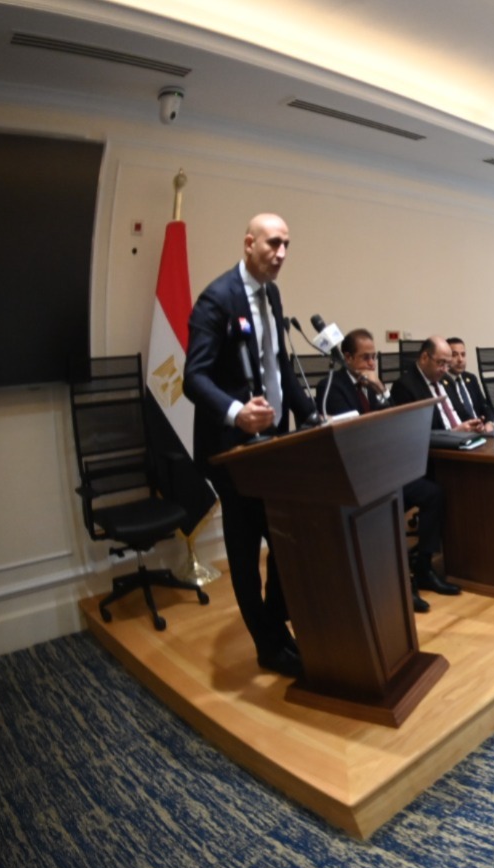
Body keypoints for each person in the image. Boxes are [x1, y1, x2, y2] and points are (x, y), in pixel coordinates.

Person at [183, 213, 318, 677]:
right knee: (244, 549)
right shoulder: (216, 299)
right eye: (273, 244)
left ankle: (275, 626)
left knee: (283, 536)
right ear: (248, 244)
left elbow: (277, 365)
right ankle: (268, 643)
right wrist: (236, 412)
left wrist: (312, 413)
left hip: (273, 443)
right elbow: (193, 378)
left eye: (287, 245)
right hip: (232, 449)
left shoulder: (271, 294)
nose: (281, 254)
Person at [319, 328, 458, 611]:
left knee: (433, 494)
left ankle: (423, 567)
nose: (372, 364)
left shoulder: (372, 386)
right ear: (347, 357)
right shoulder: (332, 387)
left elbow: (395, 420)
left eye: (374, 357)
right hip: (358, 478)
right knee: (387, 507)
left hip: (385, 471)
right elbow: (352, 434)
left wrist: (381, 391)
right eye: (365, 358)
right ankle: (401, 585)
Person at [390, 336, 491, 433]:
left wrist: (474, 425)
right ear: (424, 358)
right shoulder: (404, 387)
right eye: (441, 363)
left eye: (448, 365)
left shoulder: (446, 380)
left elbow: (462, 412)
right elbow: (414, 434)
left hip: (466, 438)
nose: (445, 370)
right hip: (443, 443)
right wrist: (454, 433)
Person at [445, 336, 494, 423]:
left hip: (481, 427)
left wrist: (489, 422)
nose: (460, 359)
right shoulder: (441, 383)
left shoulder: (470, 378)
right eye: (454, 355)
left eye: (463, 355)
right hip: (463, 428)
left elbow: (484, 405)